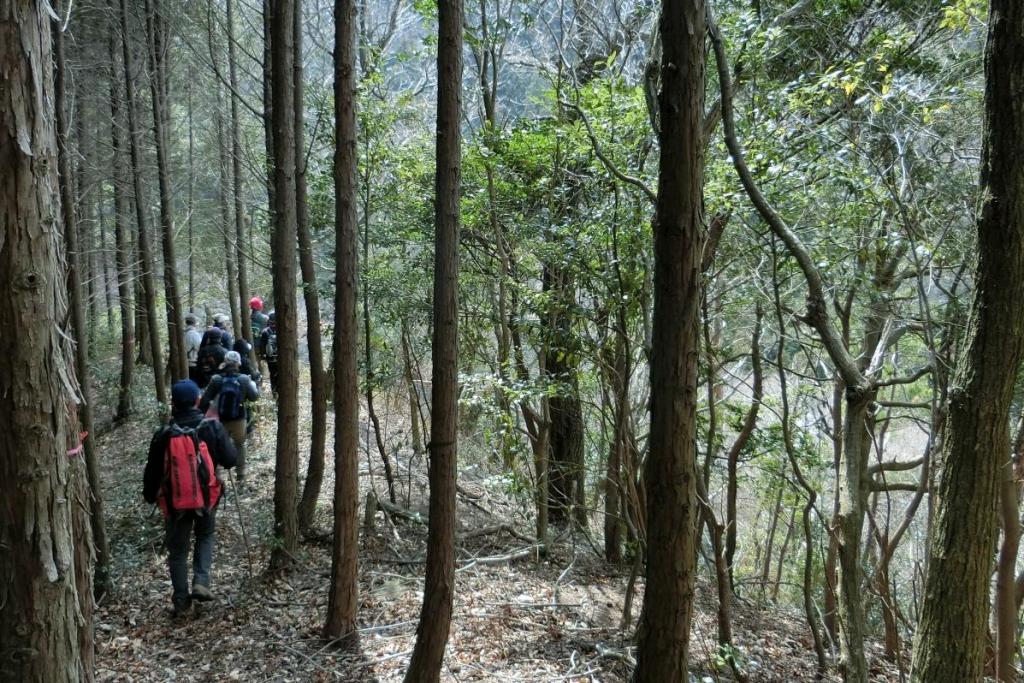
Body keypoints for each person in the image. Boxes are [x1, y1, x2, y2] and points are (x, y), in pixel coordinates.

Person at [143, 380, 237, 617]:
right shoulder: (211, 427)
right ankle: (201, 581)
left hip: (175, 503)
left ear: (173, 404)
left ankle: (182, 604)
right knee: (205, 535)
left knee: (178, 551)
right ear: (197, 400)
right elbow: (230, 460)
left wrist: (149, 496)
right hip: (206, 500)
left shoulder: (163, 435)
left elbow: (152, 472)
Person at [201, 351, 259, 488]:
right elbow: (254, 397)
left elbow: (204, 401)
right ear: (238, 363)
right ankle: (241, 476)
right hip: (239, 419)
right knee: (240, 445)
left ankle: (218, 477)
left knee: (218, 447)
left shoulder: (216, 379)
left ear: (225, 362)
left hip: (220, 421)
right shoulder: (244, 379)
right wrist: (254, 384)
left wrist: (203, 416)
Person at [196, 324, 226, 388]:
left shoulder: (202, 350)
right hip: (219, 381)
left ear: (209, 338)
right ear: (220, 338)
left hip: (203, 381)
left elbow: (198, 365)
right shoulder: (224, 351)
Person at [257, 311, 279, 397]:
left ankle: (274, 393)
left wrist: (263, 357)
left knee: (273, 376)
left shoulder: (265, 332)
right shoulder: (282, 331)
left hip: (270, 359)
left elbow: (262, 346)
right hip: (281, 359)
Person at [184, 314, 204, 385]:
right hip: (193, 364)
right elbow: (200, 348)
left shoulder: (183, 333)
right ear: (195, 323)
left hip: (185, 363)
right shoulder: (194, 334)